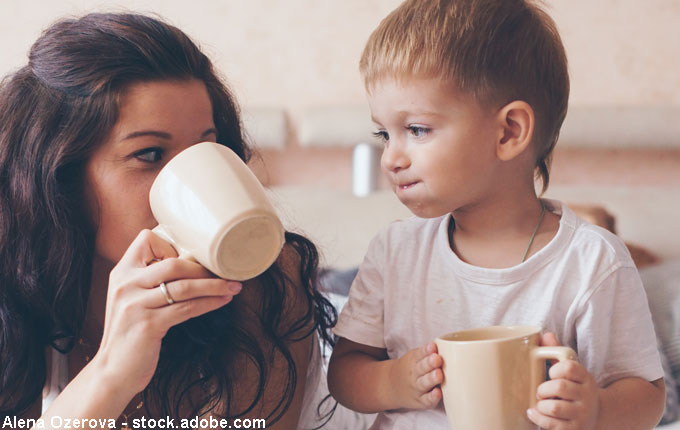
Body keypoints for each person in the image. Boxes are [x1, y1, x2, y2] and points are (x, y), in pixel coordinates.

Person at [327, 0, 666, 429]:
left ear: (509, 132)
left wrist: (596, 410)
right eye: (383, 133)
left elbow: (647, 394)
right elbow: (343, 373)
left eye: (416, 130)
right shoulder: (394, 251)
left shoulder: (593, 261)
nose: (390, 158)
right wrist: (393, 380)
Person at [0, 12, 337, 429]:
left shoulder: (264, 282)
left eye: (206, 147)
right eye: (150, 155)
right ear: (61, 178)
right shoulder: (13, 293)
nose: (193, 182)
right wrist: (112, 373)